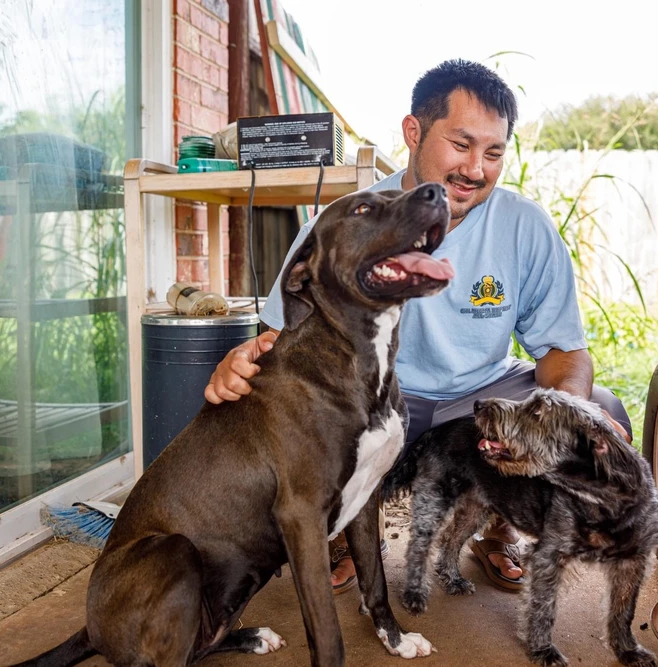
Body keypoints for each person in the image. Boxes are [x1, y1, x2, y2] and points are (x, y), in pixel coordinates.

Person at [205, 59, 632, 594]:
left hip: (478, 401)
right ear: (414, 132)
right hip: (376, 403)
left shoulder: (525, 226)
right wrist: (242, 363)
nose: (476, 169)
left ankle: (499, 523)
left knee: (601, 411)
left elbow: (565, 354)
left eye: (493, 152)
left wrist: (570, 410)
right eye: (461, 144)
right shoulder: (345, 222)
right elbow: (278, 341)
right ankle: (339, 527)